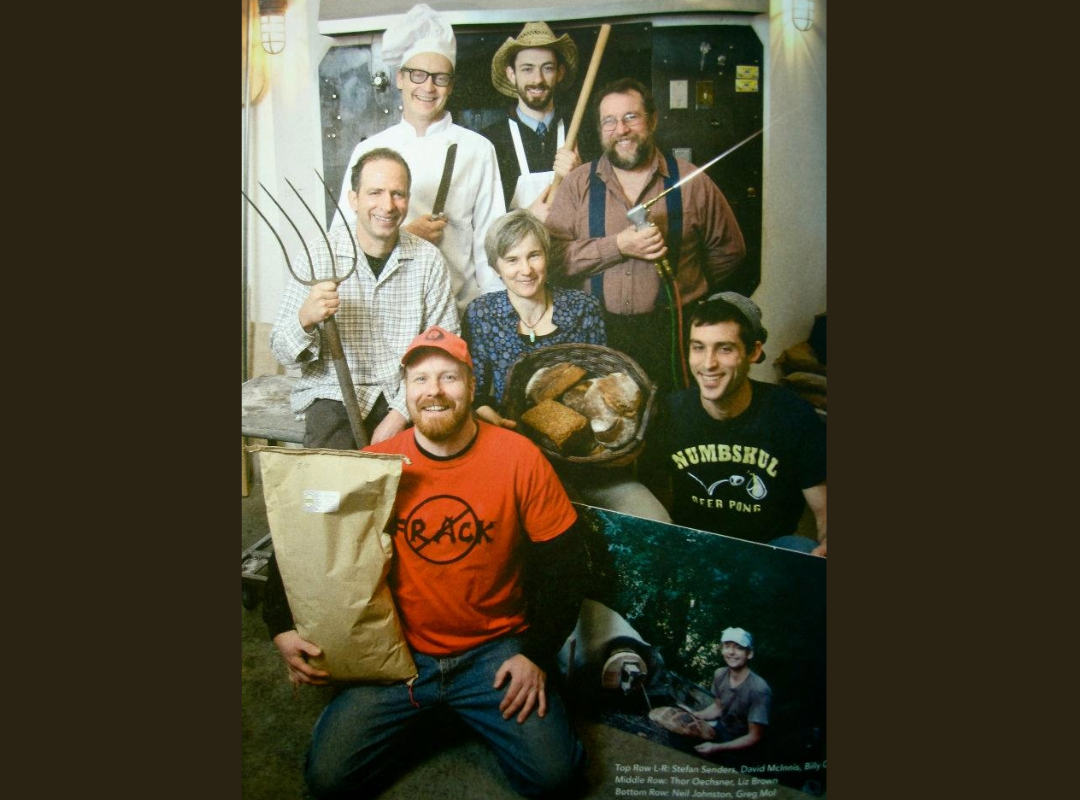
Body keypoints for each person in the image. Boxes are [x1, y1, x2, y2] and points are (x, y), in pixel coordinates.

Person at [262, 326, 588, 799]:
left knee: (558, 777)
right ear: (406, 392)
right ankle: (440, 714)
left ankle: (452, 711)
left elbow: (565, 561)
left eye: (448, 378)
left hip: (493, 652)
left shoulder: (520, 457)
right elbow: (299, 538)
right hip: (396, 653)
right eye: (419, 379)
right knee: (328, 781)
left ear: (472, 387)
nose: (433, 391)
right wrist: (281, 624)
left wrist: (535, 654)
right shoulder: (375, 463)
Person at [463, 209, 670, 524]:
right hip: (519, 465)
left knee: (655, 520)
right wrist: (484, 414)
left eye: (534, 255)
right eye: (512, 259)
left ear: (547, 256)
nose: (526, 270)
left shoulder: (582, 308)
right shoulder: (482, 314)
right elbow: (475, 395)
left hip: (589, 462)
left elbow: (605, 386)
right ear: (496, 267)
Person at [545, 77, 747, 394]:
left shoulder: (692, 181)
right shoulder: (578, 183)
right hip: (598, 333)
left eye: (631, 117)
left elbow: (729, 252)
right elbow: (552, 259)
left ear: (651, 120)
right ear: (599, 130)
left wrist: (686, 286)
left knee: (675, 422)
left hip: (674, 333)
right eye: (609, 121)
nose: (620, 130)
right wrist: (618, 246)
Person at [270, 147, 459, 448]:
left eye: (398, 193)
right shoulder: (319, 256)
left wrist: (399, 414)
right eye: (375, 192)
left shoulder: (428, 260)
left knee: (424, 481)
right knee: (334, 487)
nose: (388, 205)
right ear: (354, 199)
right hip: (333, 395)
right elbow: (280, 350)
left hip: (406, 394)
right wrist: (305, 318)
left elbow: (443, 350)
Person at [333, 3, 506, 314]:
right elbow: (340, 241)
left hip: (458, 310)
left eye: (440, 78)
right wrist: (404, 236)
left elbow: (490, 246)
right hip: (385, 310)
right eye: (418, 75)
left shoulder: (477, 149)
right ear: (400, 78)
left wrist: (488, 316)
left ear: (451, 85)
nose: (428, 87)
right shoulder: (370, 150)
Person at [642, 292, 827, 555]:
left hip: (767, 549)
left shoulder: (792, 415)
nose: (708, 364)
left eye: (724, 348)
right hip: (696, 546)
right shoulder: (671, 412)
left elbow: (824, 509)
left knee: (804, 551)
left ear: (754, 351)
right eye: (698, 347)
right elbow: (656, 493)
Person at [480, 21, 582, 221]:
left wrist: (581, 175)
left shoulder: (581, 131)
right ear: (512, 74)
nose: (537, 79)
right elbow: (483, 222)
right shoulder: (489, 141)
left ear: (560, 73)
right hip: (520, 251)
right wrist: (526, 217)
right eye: (527, 69)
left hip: (573, 251)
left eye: (547, 68)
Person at [691, 627, 771, 754]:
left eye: (739, 647)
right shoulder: (719, 674)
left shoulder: (759, 689)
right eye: (727, 646)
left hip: (742, 743)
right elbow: (718, 708)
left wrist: (716, 747)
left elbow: (754, 736)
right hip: (720, 728)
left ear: (749, 653)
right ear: (721, 650)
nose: (731, 652)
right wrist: (696, 715)